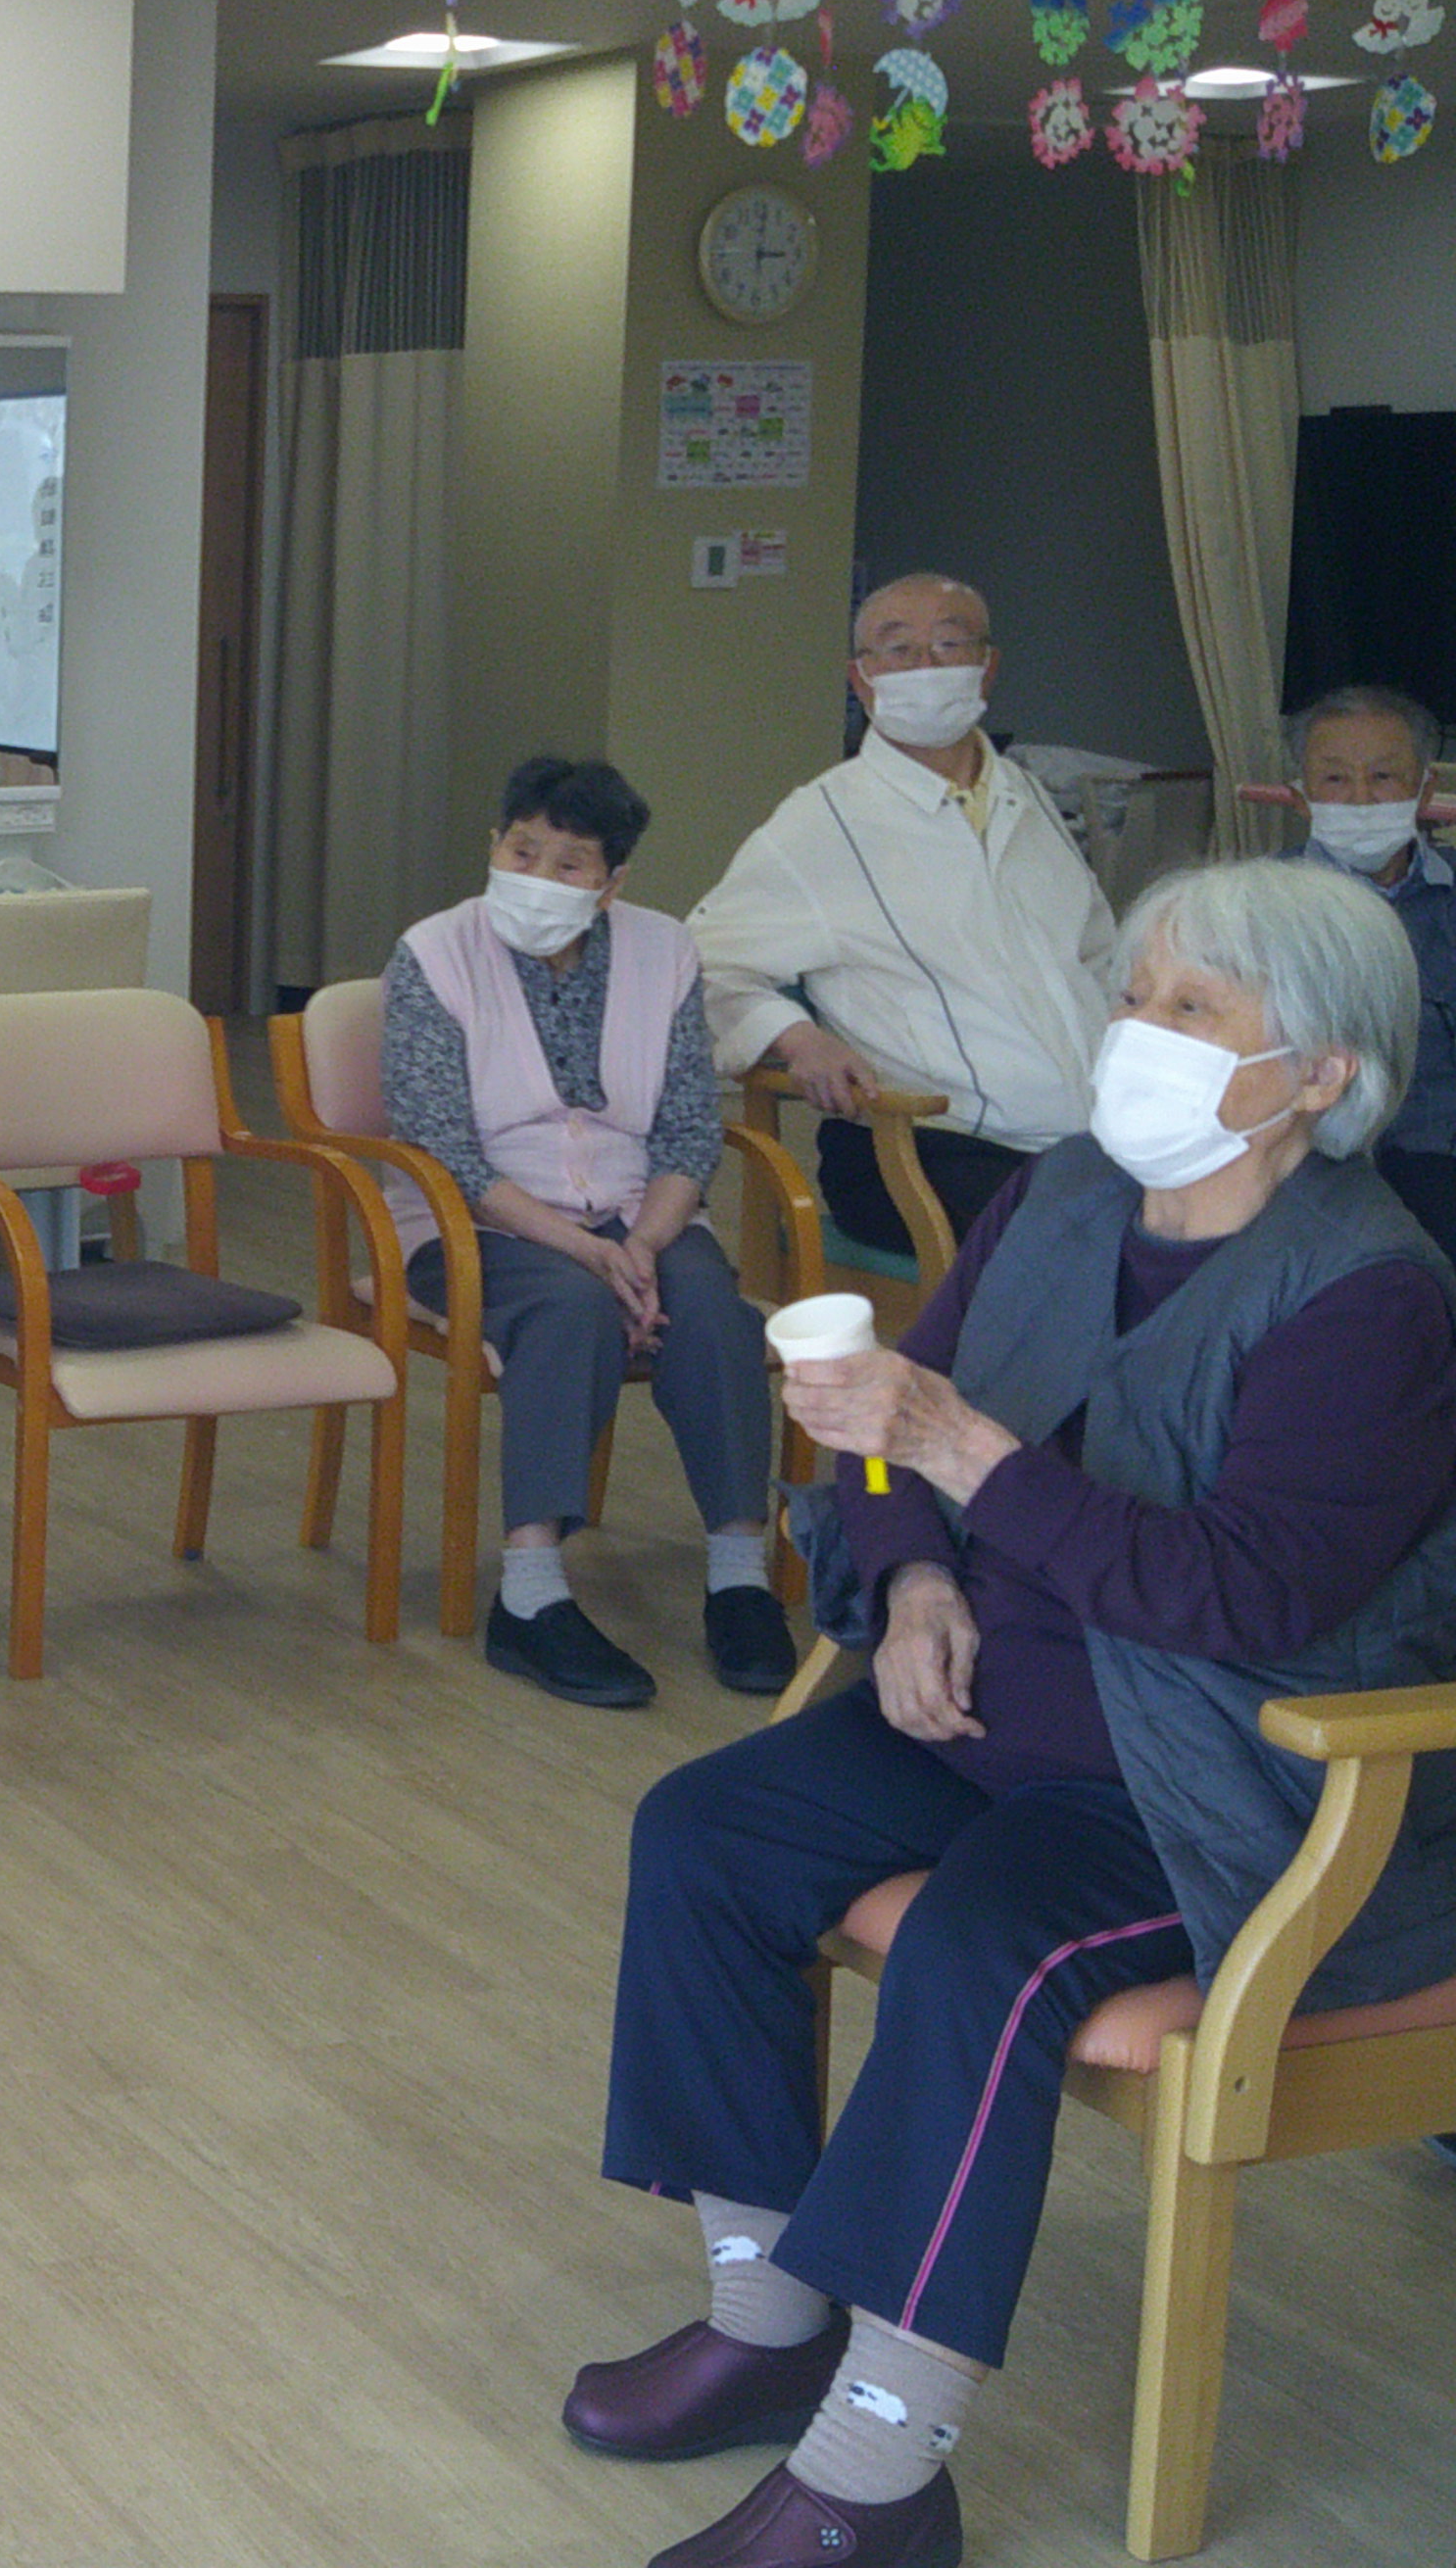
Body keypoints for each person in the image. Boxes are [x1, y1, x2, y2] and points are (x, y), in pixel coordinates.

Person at [575, 856, 1456, 2568]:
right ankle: (767, 2322)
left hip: (1204, 1782)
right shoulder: (1066, 1194)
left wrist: (967, 1453)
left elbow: (1241, 1597)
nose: (1140, 1031)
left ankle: (877, 2470)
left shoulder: (1373, 1295)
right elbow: (892, 1416)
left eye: (1193, 1006)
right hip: (986, 1708)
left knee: (985, 1948)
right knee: (705, 1833)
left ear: (1323, 1072)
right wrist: (914, 1576)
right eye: (1135, 995)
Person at [379, 758, 789, 1710]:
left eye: (567, 865)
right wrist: (588, 1254)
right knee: (571, 1310)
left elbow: (688, 1129)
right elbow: (441, 1147)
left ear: (610, 885)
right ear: (493, 845)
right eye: (521, 851)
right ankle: (528, 1595)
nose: (536, 876)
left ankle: (739, 1575)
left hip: (635, 1211)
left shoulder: (664, 951)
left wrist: (640, 1243)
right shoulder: (433, 954)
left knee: (713, 1313)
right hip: (474, 1219)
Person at [686, 574, 1114, 1256]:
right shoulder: (822, 820)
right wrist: (798, 1039)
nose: (924, 665)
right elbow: (701, 965)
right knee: (1099, 1248)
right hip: (923, 1149)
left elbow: (1098, 957)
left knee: (1224, 1218)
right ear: (861, 679)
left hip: (1083, 1138)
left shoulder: (1024, 796)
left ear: (987, 667)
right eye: (898, 649)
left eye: (948, 644)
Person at [1286, 683, 1456, 1257]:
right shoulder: (1256, 908)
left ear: (1425, 788)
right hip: (1310, 1168)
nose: (1360, 799)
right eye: (1335, 778)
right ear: (1302, 794)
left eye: (1383, 776)